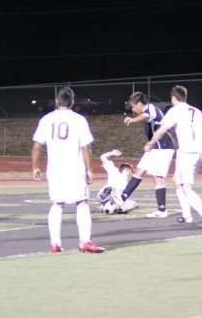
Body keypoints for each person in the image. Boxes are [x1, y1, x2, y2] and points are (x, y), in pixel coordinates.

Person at [32, 86, 105, 253]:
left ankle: (55, 243)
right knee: (82, 202)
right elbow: (86, 147)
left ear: (57, 101)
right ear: (72, 102)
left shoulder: (46, 119)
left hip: (55, 168)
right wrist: (89, 169)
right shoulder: (79, 120)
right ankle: (85, 241)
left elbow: (37, 145)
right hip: (74, 168)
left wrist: (35, 167)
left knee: (57, 204)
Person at [143, 85, 202, 228]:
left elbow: (161, 130)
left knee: (187, 188)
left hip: (187, 153)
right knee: (176, 180)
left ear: (173, 98)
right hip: (198, 153)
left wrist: (150, 143)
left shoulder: (175, 110)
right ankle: (186, 215)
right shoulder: (197, 111)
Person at [121, 92, 175, 218]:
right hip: (155, 146)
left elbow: (145, 116)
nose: (133, 110)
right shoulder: (147, 110)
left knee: (157, 176)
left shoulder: (150, 109)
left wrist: (132, 119)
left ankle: (162, 209)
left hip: (163, 146)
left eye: (134, 107)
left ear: (140, 104)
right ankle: (121, 198)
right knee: (139, 171)